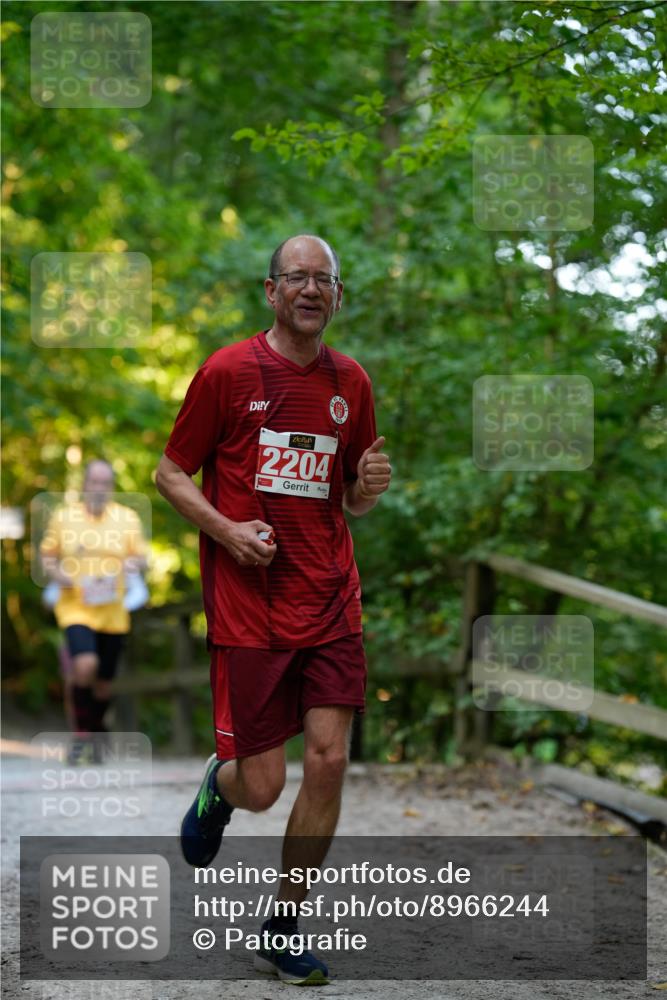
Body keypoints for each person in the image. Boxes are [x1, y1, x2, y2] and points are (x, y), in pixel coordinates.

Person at [156, 234, 391, 985]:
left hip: (328, 598)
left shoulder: (350, 382)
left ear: (338, 296)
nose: (311, 289)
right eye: (297, 277)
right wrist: (225, 531)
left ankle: (283, 925)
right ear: (270, 290)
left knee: (328, 760)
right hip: (249, 607)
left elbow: (346, 496)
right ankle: (216, 788)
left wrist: (367, 486)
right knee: (260, 788)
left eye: (324, 279)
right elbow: (168, 474)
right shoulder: (227, 373)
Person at [40, 459, 148, 760]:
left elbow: (140, 557)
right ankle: (82, 737)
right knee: (84, 665)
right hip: (76, 607)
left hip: (113, 612)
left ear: (111, 487)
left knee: (103, 684)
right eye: (94, 482)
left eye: (105, 483)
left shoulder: (127, 519)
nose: (99, 489)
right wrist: (62, 577)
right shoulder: (64, 518)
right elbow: (48, 557)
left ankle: (97, 730)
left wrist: (131, 564)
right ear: (85, 485)